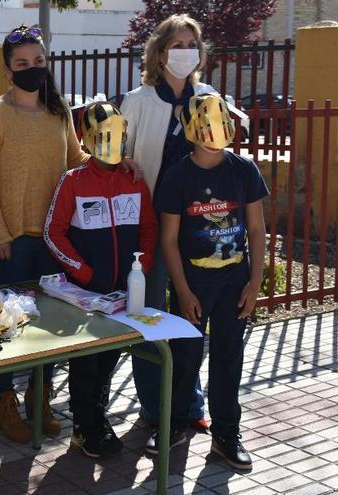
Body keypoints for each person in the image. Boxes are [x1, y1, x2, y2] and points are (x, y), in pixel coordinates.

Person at [0, 25, 88, 444]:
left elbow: (75, 160)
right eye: (23, 63)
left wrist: (113, 162)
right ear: (8, 69)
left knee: (50, 323)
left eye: (38, 62)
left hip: (55, 238)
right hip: (11, 240)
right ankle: (4, 401)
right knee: (5, 325)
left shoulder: (60, 112)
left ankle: (40, 396)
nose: (32, 69)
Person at [145, 93, 267, 471]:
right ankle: (176, 424)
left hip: (235, 284)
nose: (215, 132)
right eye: (206, 124)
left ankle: (226, 435)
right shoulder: (177, 176)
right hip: (192, 285)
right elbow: (167, 239)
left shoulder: (244, 170)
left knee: (229, 360)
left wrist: (255, 282)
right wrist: (181, 290)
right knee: (185, 359)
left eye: (221, 122)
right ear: (192, 130)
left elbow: (257, 229)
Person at [44, 102, 158, 458]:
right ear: (87, 138)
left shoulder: (133, 179)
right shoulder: (73, 181)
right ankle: (83, 424)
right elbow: (53, 232)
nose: (112, 142)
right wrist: (84, 273)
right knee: (85, 360)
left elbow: (149, 228)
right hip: (86, 295)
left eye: (117, 134)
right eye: (103, 135)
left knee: (109, 357)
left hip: (123, 290)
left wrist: (143, 265)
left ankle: (97, 416)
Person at [121, 14, 215, 431]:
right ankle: (154, 407)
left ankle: (190, 405)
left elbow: (228, 137)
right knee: (152, 316)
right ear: (159, 54)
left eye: (191, 44)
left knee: (192, 314)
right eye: (177, 45)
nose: (185, 52)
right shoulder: (138, 99)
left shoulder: (209, 96)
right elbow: (120, 153)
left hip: (198, 225)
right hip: (153, 225)